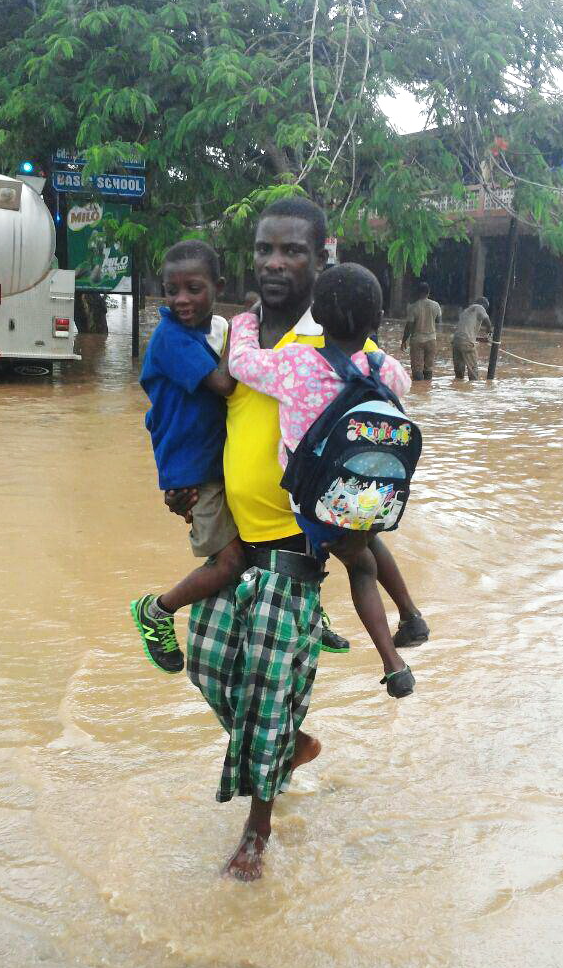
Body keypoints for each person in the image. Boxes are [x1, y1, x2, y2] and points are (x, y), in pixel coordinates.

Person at [173, 198, 428, 882]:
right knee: (205, 662)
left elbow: (378, 432)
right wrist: (185, 482)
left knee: (263, 688)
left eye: (292, 251)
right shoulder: (238, 334)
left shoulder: (342, 343)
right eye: (265, 250)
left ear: (323, 258)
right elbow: (206, 409)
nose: (276, 263)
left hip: (296, 547)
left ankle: (256, 833)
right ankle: (286, 746)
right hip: (235, 540)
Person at [228, 263, 417, 697]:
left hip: (317, 504)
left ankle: (393, 664)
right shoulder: (382, 366)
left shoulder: (296, 363)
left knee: (362, 567)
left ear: (317, 316)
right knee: (367, 542)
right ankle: (411, 614)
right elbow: (403, 384)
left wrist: (247, 319)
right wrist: (372, 350)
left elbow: (239, 364)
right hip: (372, 495)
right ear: (378, 321)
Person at [131, 241, 244, 672]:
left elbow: (158, 411)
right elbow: (225, 386)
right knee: (230, 561)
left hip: (206, 463)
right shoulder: (172, 338)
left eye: (193, 289)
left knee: (243, 554)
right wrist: (244, 332)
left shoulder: (201, 332)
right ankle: (158, 610)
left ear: (217, 286)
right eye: (171, 290)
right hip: (194, 472)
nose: (181, 300)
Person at [401, 282, 441, 381]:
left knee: (417, 369)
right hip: (431, 339)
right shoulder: (436, 305)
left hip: (417, 340)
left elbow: (409, 326)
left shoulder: (413, 307)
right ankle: (426, 391)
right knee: (429, 367)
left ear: (418, 292)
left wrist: (404, 341)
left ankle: (418, 391)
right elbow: (438, 320)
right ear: (429, 292)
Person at [451, 296, 492, 381]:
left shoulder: (465, 311)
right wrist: (489, 331)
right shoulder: (479, 307)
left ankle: (458, 388)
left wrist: (483, 339)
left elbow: (465, 335)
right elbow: (487, 320)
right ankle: (473, 391)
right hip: (466, 342)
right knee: (473, 370)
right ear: (483, 305)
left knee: (459, 372)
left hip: (456, 341)